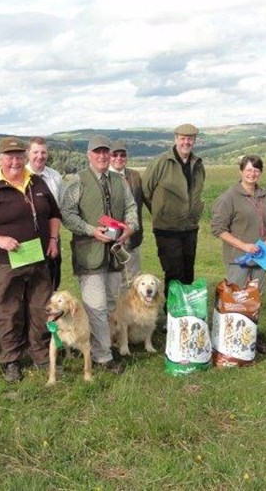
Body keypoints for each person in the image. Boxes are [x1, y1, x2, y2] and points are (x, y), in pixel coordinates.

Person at [0, 137, 61, 383]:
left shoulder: (37, 182)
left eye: (19, 156)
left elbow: (54, 214)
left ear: (25, 157)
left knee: (41, 308)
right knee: (8, 310)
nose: (15, 161)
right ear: (0, 159)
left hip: (38, 259)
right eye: (9, 157)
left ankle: (41, 355)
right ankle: (11, 360)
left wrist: (52, 239)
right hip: (4, 262)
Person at [60, 135, 138, 374]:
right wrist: (90, 230)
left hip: (114, 255)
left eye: (106, 151)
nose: (102, 156)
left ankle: (96, 346)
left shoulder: (119, 181)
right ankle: (103, 357)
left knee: (112, 302)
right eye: (97, 152)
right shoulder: (78, 181)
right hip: (89, 254)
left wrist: (130, 227)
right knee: (96, 306)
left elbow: (131, 207)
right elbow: (67, 214)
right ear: (89, 155)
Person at [142, 123, 205, 305]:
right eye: (183, 138)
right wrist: (160, 212)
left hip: (190, 228)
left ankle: (186, 312)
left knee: (188, 272)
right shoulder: (161, 162)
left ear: (194, 141)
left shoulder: (198, 164)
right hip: (167, 229)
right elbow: (145, 191)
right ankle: (172, 314)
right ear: (175, 139)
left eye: (190, 139)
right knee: (174, 274)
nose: (186, 142)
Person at [211, 155, 266, 292]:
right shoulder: (228, 197)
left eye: (256, 170)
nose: (252, 174)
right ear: (241, 171)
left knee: (256, 297)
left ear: (260, 172)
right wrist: (244, 246)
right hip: (239, 259)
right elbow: (218, 229)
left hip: (262, 258)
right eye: (248, 170)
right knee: (236, 298)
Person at [26, 136, 64, 290]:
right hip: (27, 238)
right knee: (29, 282)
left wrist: (54, 237)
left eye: (43, 152)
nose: (40, 156)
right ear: (28, 153)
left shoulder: (56, 177)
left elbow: (61, 208)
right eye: (35, 152)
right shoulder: (19, 175)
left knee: (52, 279)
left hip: (52, 236)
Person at [108, 140, 144, 284]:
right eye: (115, 154)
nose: (119, 158)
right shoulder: (102, 177)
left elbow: (145, 199)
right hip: (111, 239)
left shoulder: (135, 175)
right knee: (115, 282)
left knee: (135, 281)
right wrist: (115, 234)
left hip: (133, 238)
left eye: (122, 155)